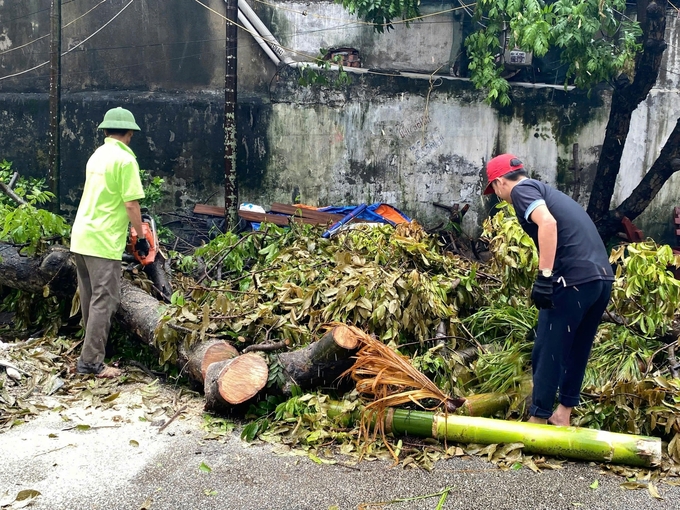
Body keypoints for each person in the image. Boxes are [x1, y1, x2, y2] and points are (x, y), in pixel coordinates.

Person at [483, 153, 614, 426]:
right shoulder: (548, 191)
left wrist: (545, 277)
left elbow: (548, 223)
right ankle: (562, 415)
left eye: (494, 190)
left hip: (573, 279)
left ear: (498, 183)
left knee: (549, 347)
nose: (497, 195)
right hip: (601, 279)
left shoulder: (522, 190)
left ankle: (538, 419)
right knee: (578, 347)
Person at [70, 107, 149, 378]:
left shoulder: (97, 155)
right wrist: (140, 236)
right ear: (129, 134)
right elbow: (130, 203)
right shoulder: (126, 161)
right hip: (103, 242)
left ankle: (92, 351)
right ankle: (90, 364)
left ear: (106, 131)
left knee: (91, 299)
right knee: (105, 301)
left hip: (81, 237)